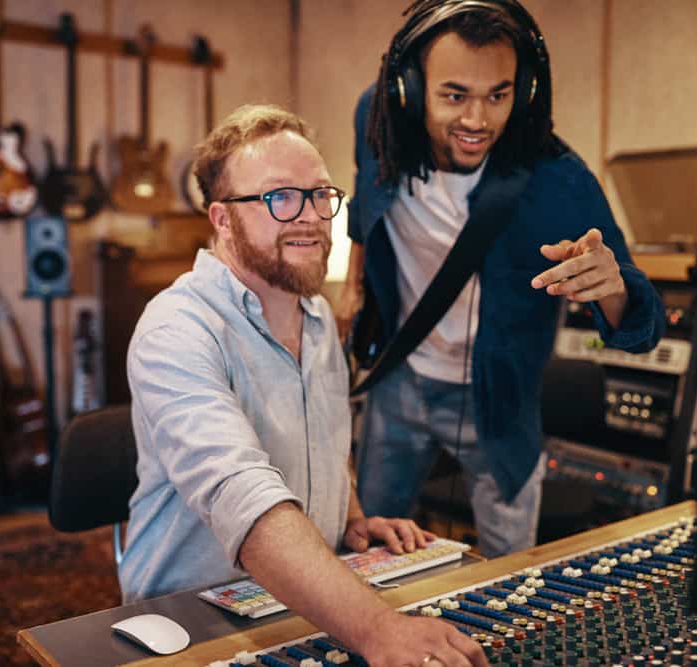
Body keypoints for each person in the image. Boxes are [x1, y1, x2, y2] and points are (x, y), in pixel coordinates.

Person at [120, 104, 488, 667]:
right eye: (281, 198)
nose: (312, 217)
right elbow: (243, 499)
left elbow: (327, 448)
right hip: (191, 626)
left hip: (301, 606)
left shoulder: (315, 318)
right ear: (222, 219)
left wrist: (352, 518)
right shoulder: (176, 329)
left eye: (319, 195)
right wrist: (377, 629)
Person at [337, 0, 667, 558]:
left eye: (498, 95)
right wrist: (354, 284)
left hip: (499, 399)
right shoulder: (379, 119)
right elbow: (363, 200)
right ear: (410, 89)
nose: (478, 120)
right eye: (454, 95)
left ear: (526, 90)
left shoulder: (559, 180)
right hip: (400, 380)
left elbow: (644, 326)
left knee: (507, 572)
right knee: (368, 550)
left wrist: (613, 287)